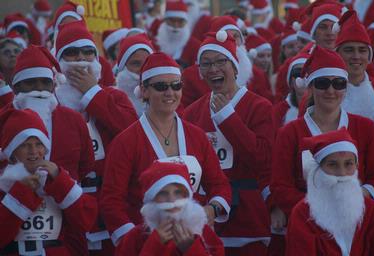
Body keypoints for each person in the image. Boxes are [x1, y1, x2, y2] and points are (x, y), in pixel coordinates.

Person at [100, 52, 232, 247]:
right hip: (149, 241)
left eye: (176, 85)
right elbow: (112, 201)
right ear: (144, 91)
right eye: (161, 87)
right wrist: (136, 240)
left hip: (192, 240)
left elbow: (219, 184)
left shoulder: (196, 136)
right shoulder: (126, 142)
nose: (170, 93)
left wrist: (212, 209)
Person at [270, 45, 374, 255]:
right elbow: (280, 185)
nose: (331, 91)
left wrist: (356, 198)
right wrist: (318, 210)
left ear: (346, 86)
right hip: (308, 225)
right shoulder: (290, 133)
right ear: (310, 87)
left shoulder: (365, 128)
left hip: (358, 221)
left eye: (338, 83)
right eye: (322, 83)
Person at [183, 31, 274, 256]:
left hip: (249, 219)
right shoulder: (192, 112)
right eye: (206, 64)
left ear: (235, 67)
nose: (213, 69)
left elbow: (262, 159)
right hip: (208, 216)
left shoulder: (259, 107)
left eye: (220, 61)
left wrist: (227, 117)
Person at [54, 20, 138, 255]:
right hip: (67, 207)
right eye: (71, 53)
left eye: (88, 52)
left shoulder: (114, 96)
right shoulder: (51, 101)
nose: (81, 59)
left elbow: (130, 132)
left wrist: (93, 93)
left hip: (111, 204)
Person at [0, 108, 97, 255]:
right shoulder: (4, 184)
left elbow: (86, 221)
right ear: (12, 151)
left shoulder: (55, 179)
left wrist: (61, 183)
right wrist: (21, 193)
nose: (33, 151)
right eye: (24, 145)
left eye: (39, 144)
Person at [286, 128, 374, 255]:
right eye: (332, 165)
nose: (342, 173)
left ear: (357, 166)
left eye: (348, 164)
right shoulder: (302, 214)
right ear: (319, 169)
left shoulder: (373, 211)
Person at [115, 161, 225, 256]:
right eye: (163, 193)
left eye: (178, 192)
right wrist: (155, 245)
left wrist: (190, 248)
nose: (172, 200)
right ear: (152, 199)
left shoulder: (202, 231)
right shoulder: (136, 236)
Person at [334, 10, 374, 137]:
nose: (356, 56)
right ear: (337, 54)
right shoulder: (323, 91)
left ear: (369, 56)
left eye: (362, 50)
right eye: (349, 50)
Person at [115, 33, 154, 116]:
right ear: (124, 67)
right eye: (136, 64)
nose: (143, 69)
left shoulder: (167, 96)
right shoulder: (112, 100)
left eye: (147, 63)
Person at [155, 1, 200, 68]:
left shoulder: (196, 46)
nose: (176, 25)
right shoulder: (154, 44)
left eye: (180, 21)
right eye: (172, 20)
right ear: (164, 21)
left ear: (186, 22)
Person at [273, 52, 309, 128]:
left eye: (308, 72)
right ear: (290, 81)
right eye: (297, 73)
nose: (302, 78)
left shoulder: (321, 109)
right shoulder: (279, 111)